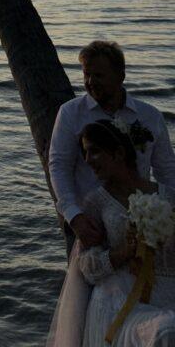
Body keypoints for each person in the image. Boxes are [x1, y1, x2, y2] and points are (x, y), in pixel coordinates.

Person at [47, 120, 175, 346]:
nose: (87, 160)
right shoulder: (96, 202)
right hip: (120, 295)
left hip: (168, 290)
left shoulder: (168, 196)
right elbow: (86, 266)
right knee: (165, 331)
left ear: (118, 153)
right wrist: (123, 252)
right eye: (84, 153)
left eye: (94, 151)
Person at [49, 40, 175, 249]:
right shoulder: (70, 113)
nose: (90, 81)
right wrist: (74, 216)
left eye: (98, 75)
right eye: (86, 75)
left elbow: (167, 169)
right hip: (90, 223)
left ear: (120, 76)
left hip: (141, 222)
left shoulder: (149, 116)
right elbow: (59, 166)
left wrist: (168, 212)